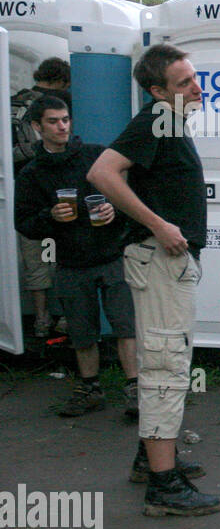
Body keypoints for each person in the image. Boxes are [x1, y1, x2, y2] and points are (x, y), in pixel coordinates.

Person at [87, 44, 220, 517]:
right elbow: (102, 172)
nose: (196, 87)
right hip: (159, 262)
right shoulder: (153, 120)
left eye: (194, 76)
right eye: (184, 81)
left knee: (166, 359)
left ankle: (151, 459)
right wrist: (158, 224)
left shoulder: (171, 124)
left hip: (169, 264)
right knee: (166, 366)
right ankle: (164, 487)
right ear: (157, 90)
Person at [13, 95, 138, 417]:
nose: (62, 126)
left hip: (111, 254)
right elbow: (24, 224)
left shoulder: (94, 156)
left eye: (65, 119)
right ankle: (90, 388)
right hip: (69, 260)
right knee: (81, 331)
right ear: (37, 126)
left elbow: (130, 195)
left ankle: (135, 389)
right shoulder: (32, 173)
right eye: (53, 121)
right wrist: (50, 216)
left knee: (126, 326)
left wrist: (117, 210)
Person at [12, 57, 73, 339]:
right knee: (63, 259)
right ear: (62, 78)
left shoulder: (17, 100)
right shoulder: (64, 101)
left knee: (34, 258)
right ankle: (63, 318)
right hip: (61, 189)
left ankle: (40, 319)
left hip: (23, 184)